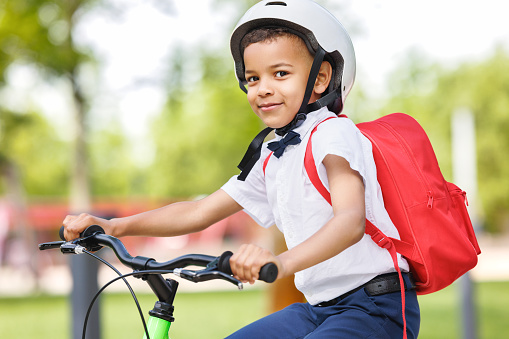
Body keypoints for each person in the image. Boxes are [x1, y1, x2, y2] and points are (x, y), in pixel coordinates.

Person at [63, 0, 420, 337]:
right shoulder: (273, 154)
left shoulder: (332, 132)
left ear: (322, 79)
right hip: (318, 307)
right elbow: (200, 211)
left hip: (375, 306)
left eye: (280, 74)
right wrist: (115, 226)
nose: (263, 89)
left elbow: (349, 221)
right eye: (252, 78)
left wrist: (278, 263)